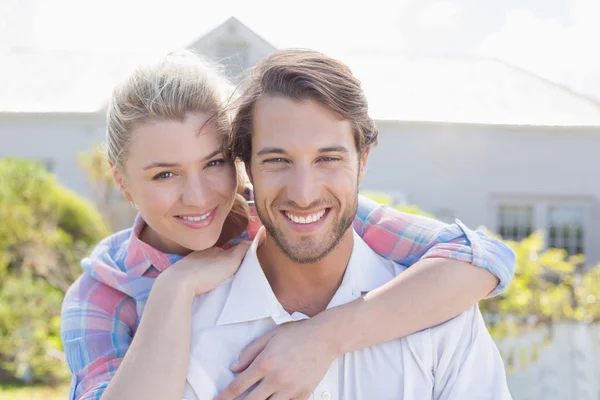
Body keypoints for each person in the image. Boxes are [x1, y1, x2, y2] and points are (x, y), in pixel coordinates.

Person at [61, 50, 515, 400]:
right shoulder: (105, 293)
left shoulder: (281, 211)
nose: (198, 197)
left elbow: (481, 256)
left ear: (237, 165)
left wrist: (322, 337)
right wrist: (173, 290)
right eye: (165, 174)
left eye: (214, 163)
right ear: (121, 181)